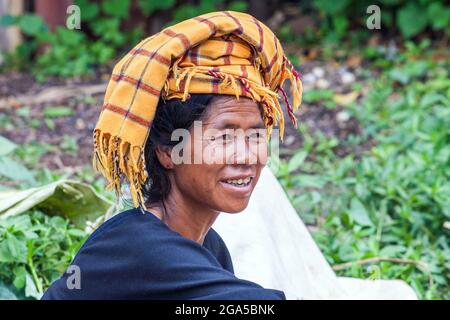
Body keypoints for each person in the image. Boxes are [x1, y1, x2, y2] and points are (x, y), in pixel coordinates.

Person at [42, 10, 302, 300]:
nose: (246, 156)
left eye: (255, 135)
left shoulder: (209, 246)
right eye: (224, 137)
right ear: (167, 151)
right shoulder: (139, 247)